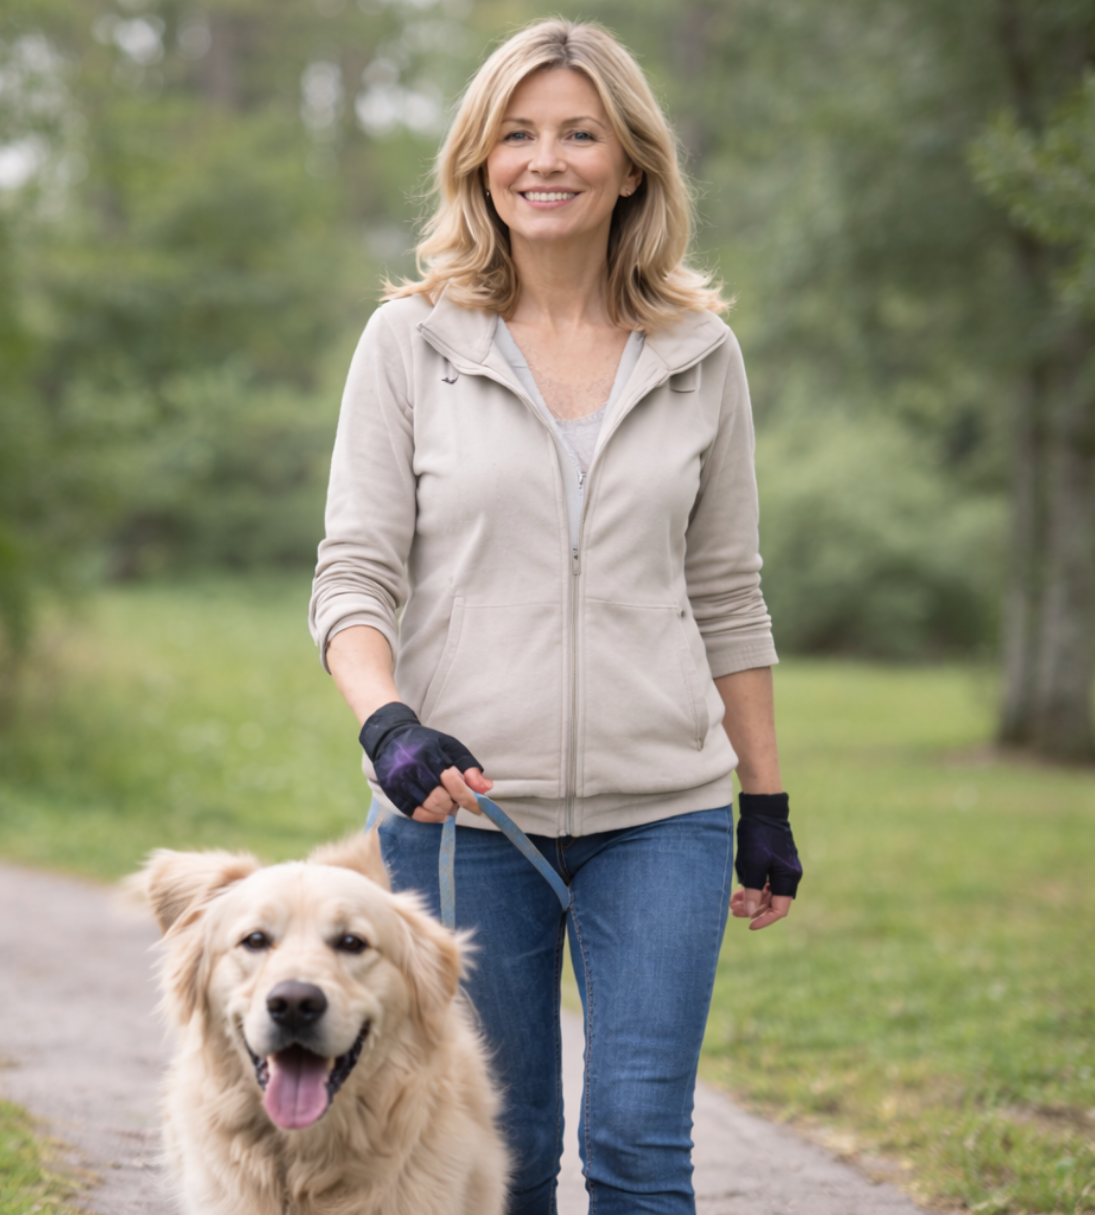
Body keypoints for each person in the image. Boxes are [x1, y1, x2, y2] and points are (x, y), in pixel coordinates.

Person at [308, 18, 803, 1215]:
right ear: (480, 160)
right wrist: (389, 728)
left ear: (631, 162)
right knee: (503, 1147)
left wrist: (766, 799)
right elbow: (352, 579)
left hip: (664, 819)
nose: (547, 159)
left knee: (639, 1147)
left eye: (579, 133)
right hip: (463, 820)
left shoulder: (699, 354)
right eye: (518, 134)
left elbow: (728, 590)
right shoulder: (411, 342)